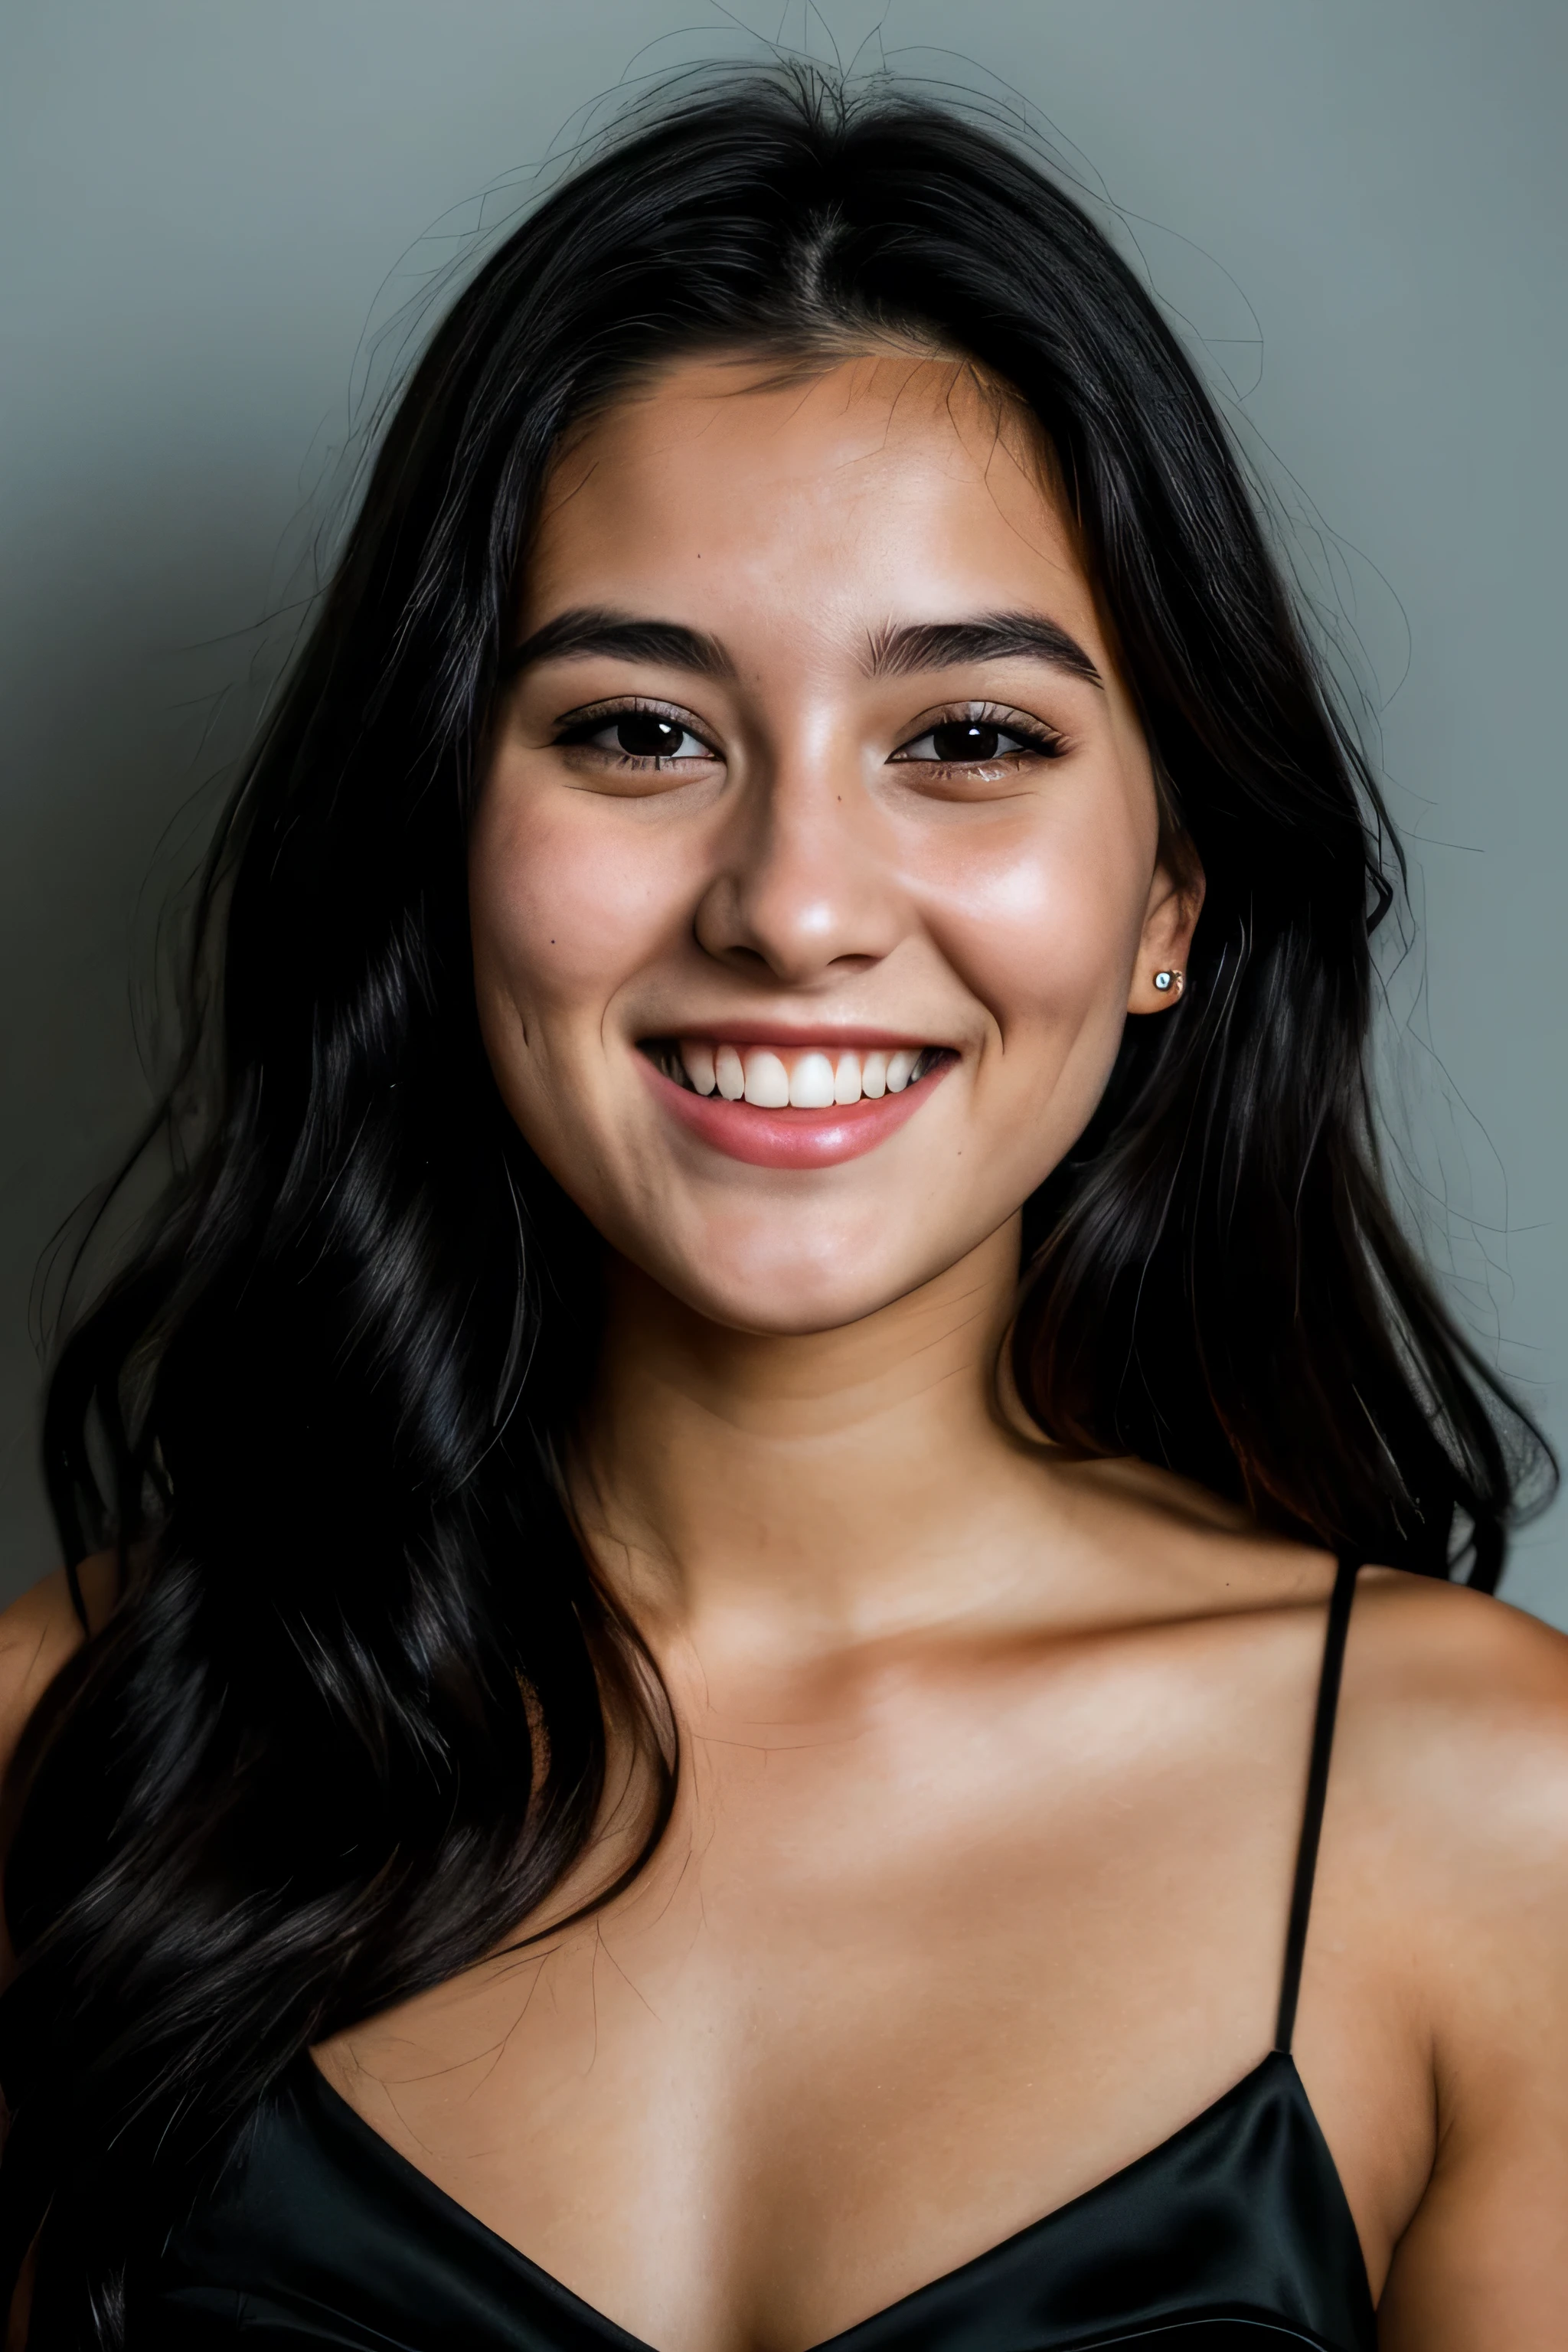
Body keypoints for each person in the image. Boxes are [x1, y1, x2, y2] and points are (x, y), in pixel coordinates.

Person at [1, 64, 1563, 2352]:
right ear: (446, 845)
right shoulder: (54, 1760)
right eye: (639, 730)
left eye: (970, 741)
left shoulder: (1497, 1829)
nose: (796, 904)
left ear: (1174, 898)